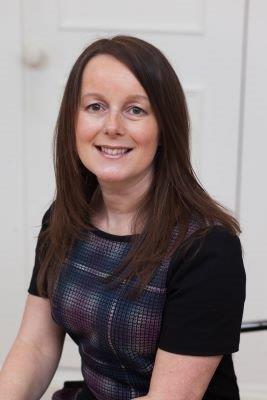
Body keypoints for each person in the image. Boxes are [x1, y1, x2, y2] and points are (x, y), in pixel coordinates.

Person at [0, 35, 246, 400]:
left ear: (164, 130)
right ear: (74, 120)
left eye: (135, 110)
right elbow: (35, 347)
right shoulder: (64, 220)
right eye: (95, 106)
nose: (112, 126)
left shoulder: (207, 249)